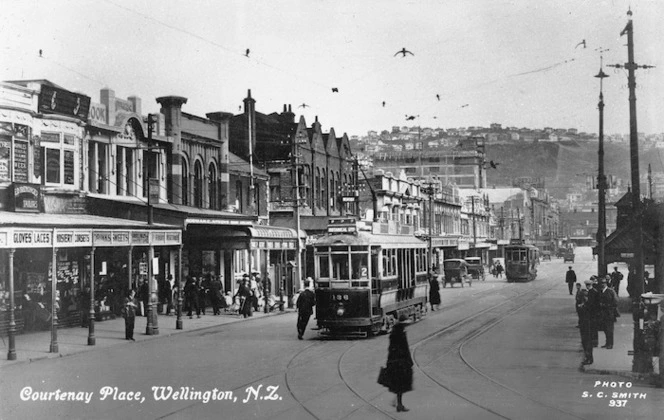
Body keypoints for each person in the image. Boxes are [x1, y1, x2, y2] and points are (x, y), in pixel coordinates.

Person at [385, 314, 414, 412]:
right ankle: (398, 404)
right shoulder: (399, 332)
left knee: (399, 384)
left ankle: (397, 403)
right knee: (401, 383)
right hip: (399, 362)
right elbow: (404, 348)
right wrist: (408, 360)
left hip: (396, 361)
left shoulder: (396, 331)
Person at [597, 276, 618, 349]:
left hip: (609, 313)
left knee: (609, 329)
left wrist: (607, 306)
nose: (602, 284)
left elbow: (615, 302)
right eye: (601, 283)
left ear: (606, 283)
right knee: (605, 329)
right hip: (602, 313)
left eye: (604, 283)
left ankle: (610, 344)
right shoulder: (600, 291)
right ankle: (607, 343)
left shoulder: (611, 291)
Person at [577, 280, 595, 365]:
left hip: (588, 323)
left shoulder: (593, 295)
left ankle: (589, 358)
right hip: (584, 323)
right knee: (585, 341)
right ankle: (588, 357)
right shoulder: (584, 304)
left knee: (587, 341)